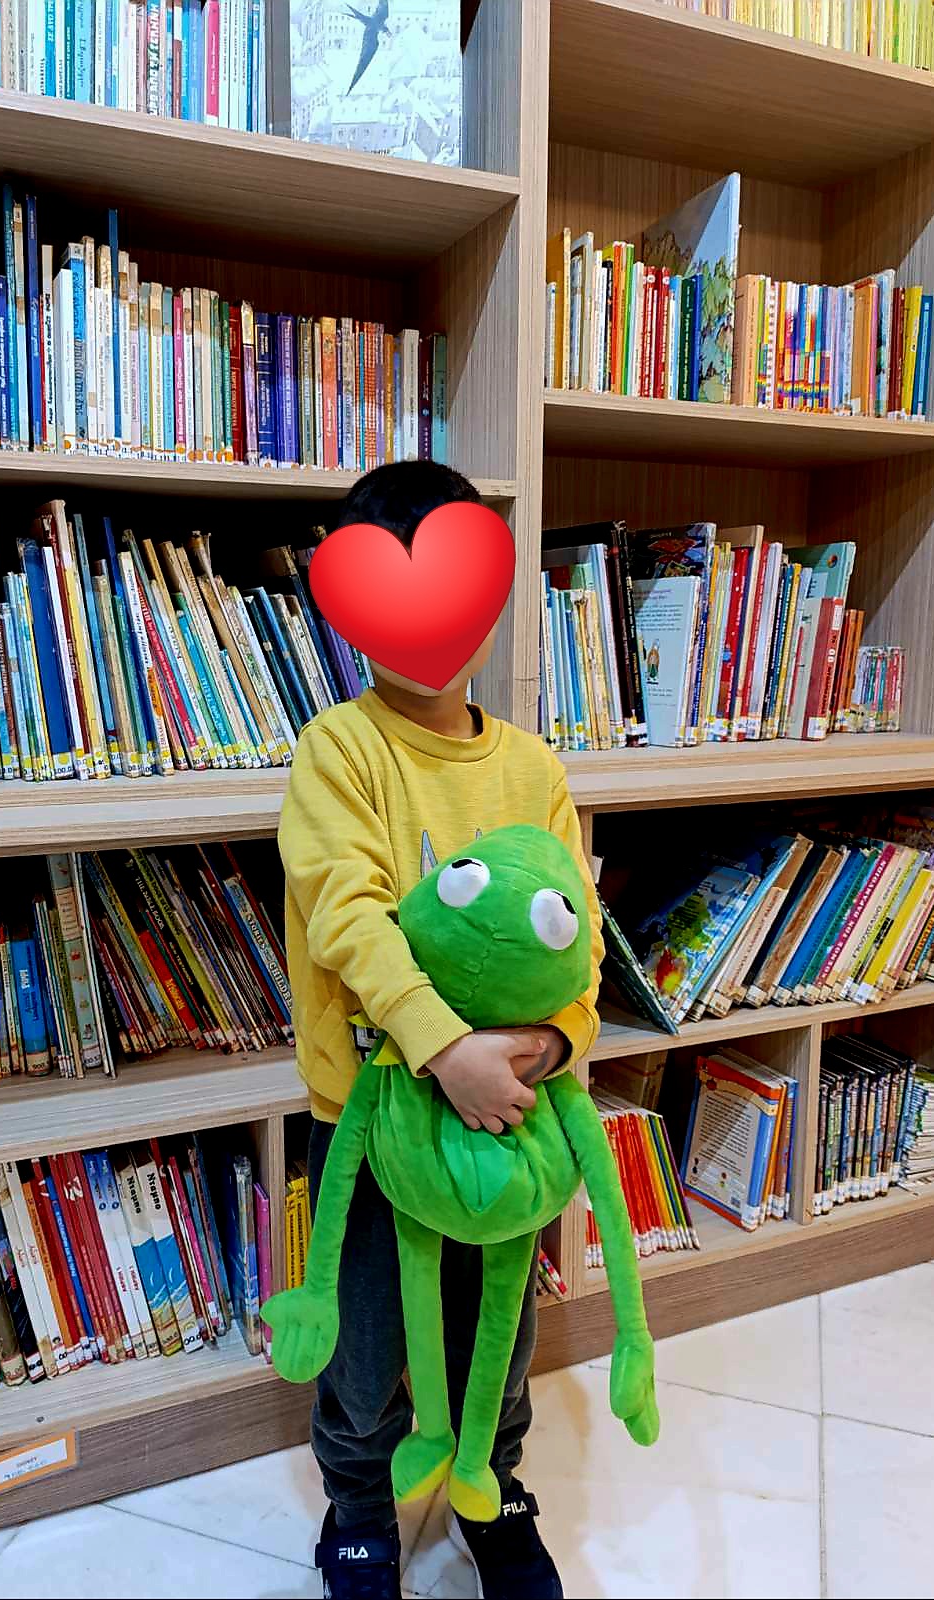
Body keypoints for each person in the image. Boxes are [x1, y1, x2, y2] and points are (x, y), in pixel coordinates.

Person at [277, 461, 604, 1600]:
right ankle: (360, 1509)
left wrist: (552, 1046)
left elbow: (574, 937)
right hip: (372, 1118)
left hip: (507, 1116)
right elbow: (347, 917)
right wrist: (442, 1048)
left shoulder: (531, 767)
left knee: (496, 1333)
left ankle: (490, 1486)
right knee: (368, 1345)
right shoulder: (339, 749)